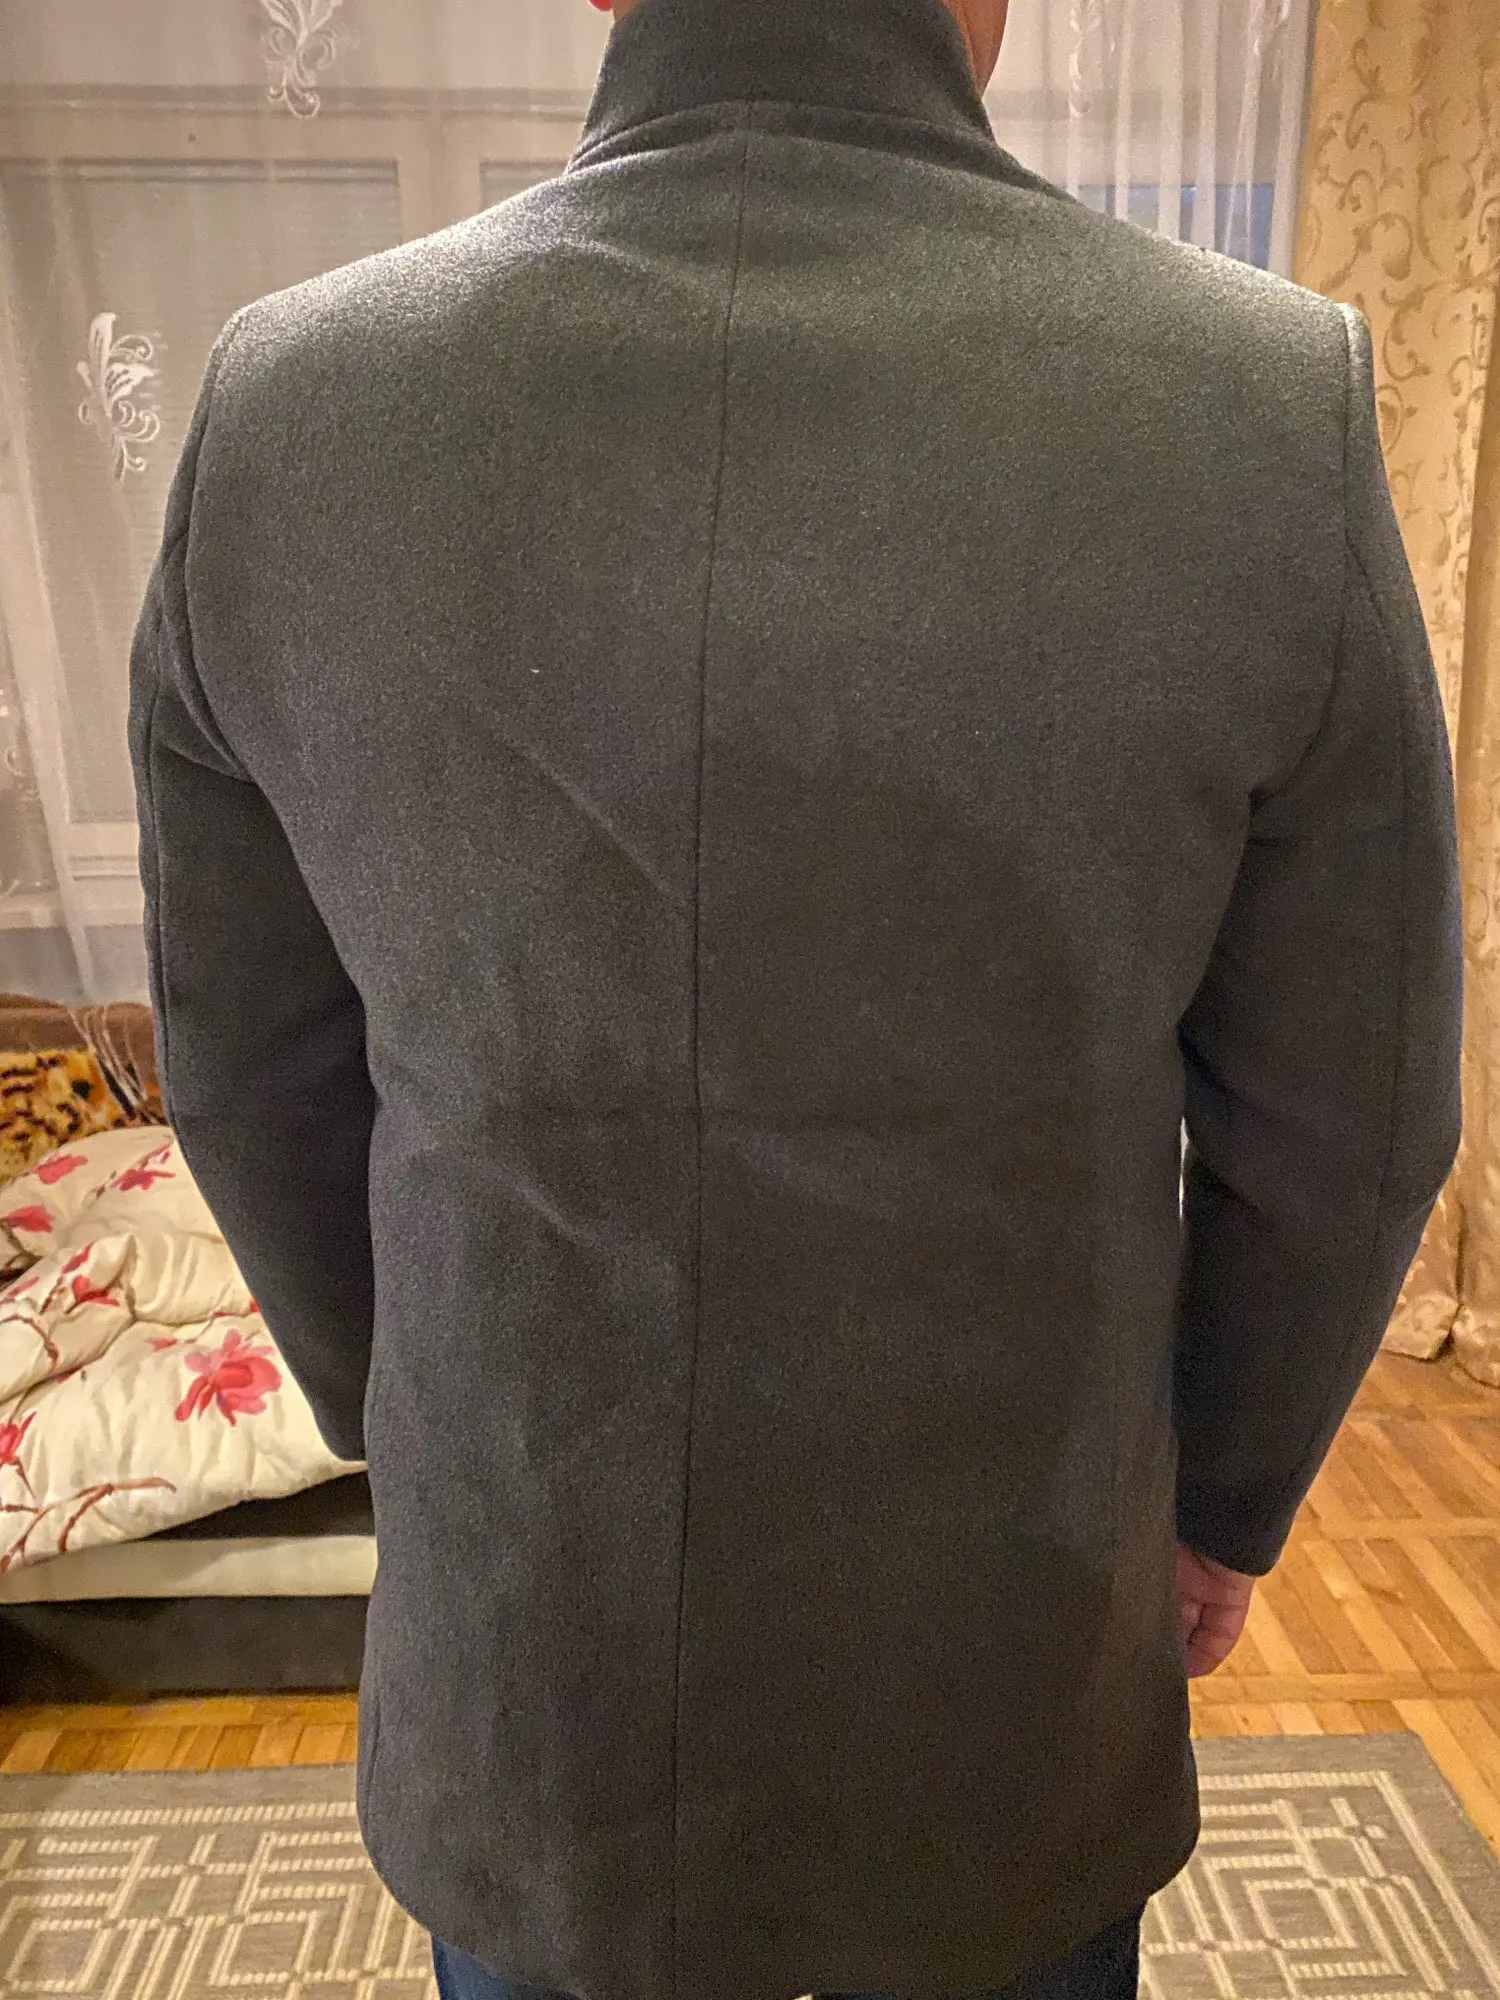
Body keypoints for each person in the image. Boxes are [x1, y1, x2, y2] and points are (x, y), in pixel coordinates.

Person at [127, 0, 1463, 1993]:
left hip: (538, 1661)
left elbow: (250, 1076)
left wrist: (432, 1427)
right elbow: (1352, 1123)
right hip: (1012, 1657)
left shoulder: (289, 408)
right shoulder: (1262, 400)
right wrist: (1227, 1492)